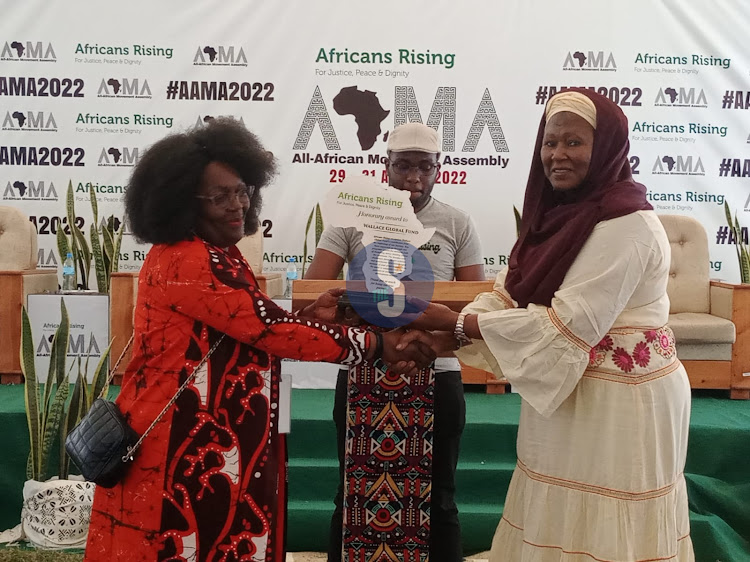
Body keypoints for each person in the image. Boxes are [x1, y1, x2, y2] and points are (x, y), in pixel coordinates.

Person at [83, 118, 435, 562]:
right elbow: (269, 330)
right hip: (178, 445)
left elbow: (245, 330)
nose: (237, 205)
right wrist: (377, 345)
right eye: (220, 196)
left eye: (243, 191)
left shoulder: (216, 252)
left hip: (209, 434)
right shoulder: (188, 260)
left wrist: (308, 317)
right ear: (180, 202)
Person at [407, 89, 694, 561]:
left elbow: (568, 325)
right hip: (562, 391)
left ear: (606, 149)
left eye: (574, 143)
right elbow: (509, 290)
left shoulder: (628, 224)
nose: (557, 155)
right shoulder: (554, 215)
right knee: (554, 513)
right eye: (549, 141)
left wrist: (458, 324)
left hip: (621, 401)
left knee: (609, 525)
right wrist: (455, 331)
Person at [305, 122, 485, 562]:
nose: (413, 178)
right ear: (385, 166)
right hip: (364, 369)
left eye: (425, 167)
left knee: (439, 497)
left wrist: (425, 340)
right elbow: (313, 292)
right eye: (403, 166)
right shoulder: (351, 215)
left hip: (436, 371)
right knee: (351, 493)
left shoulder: (457, 223)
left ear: (439, 169)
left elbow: (475, 309)